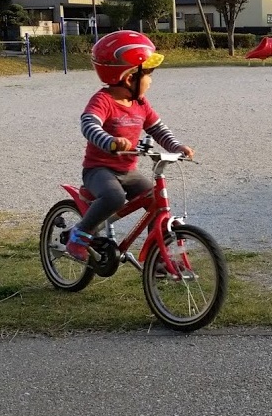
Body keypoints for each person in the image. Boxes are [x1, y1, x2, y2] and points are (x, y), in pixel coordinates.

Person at [66, 30, 194, 262]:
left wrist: (176, 146)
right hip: (99, 170)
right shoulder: (103, 100)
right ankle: (80, 234)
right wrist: (110, 141)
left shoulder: (140, 103)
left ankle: (157, 256)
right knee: (114, 198)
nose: (151, 80)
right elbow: (89, 124)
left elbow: (157, 128)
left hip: (128, 171)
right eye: (148, 74)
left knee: (156, 201)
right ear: (129, 78)